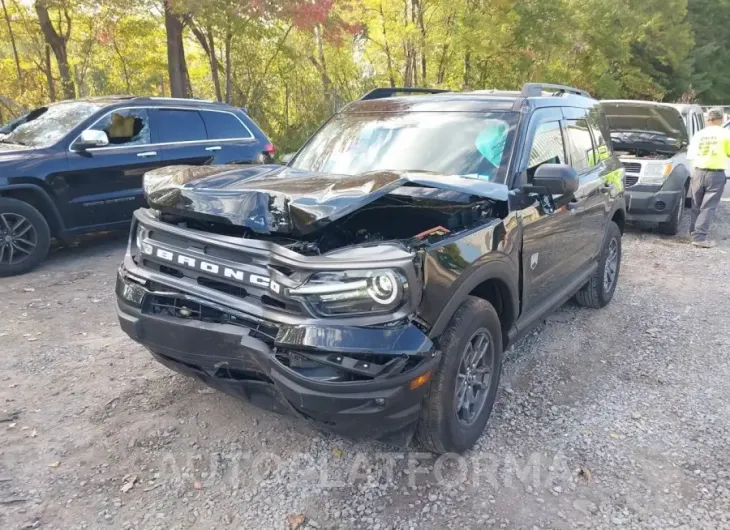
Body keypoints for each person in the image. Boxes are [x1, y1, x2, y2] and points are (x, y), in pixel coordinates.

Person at [686, 107, 730, 248]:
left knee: (696, 205)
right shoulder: (725, 134)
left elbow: (690, 155)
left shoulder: (699, 134)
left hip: (698, 172)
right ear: (721, 119)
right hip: (715, 174)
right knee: (708, 207)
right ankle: (699, 238)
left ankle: (693, 232)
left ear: (708, 119)